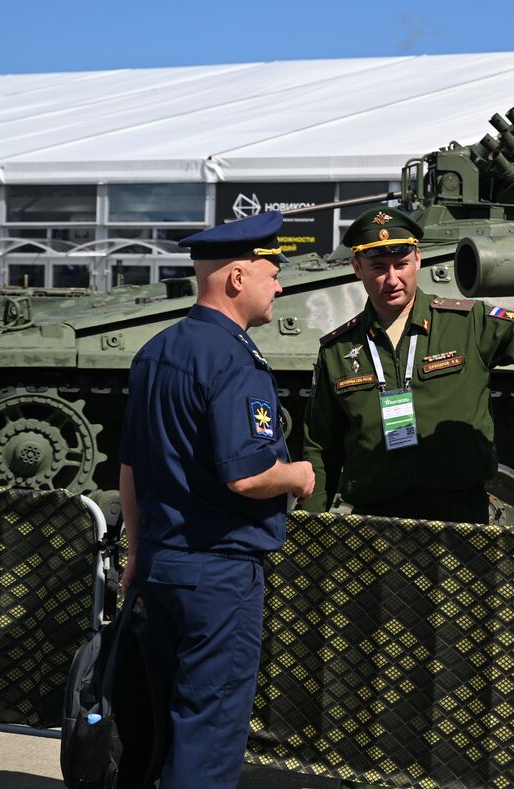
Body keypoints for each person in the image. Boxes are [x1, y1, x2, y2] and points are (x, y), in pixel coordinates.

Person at [117, 210, 316, 789]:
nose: (278, 283)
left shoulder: (155, 351)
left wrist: (135, 554)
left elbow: (129, 468)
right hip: (219, 574)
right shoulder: (234, 359)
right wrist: (298, 475)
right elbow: (247, 477)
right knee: (207, 735)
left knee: (160, 731)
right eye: (271, 270)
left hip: (160, 566)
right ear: (236, 278)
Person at [302, 206, 514, 522]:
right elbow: (319, 446)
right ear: (357, 267)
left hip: (458, 515)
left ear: (417, 260)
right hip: (376, 518)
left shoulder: (467, 323)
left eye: (400, 264)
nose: (392, 279)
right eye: (378, 267)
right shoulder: (339, 350)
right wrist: (311, 530)